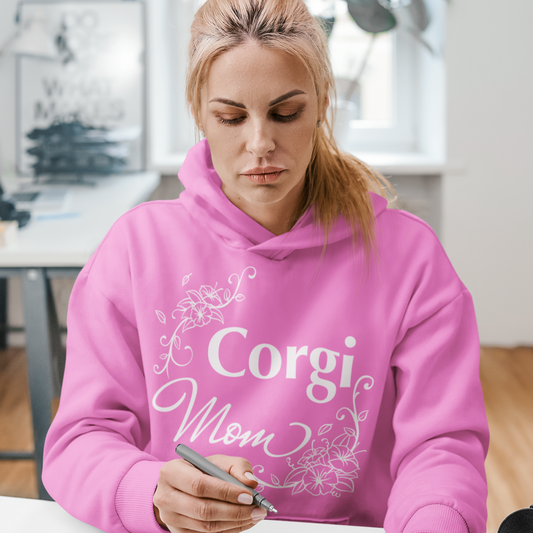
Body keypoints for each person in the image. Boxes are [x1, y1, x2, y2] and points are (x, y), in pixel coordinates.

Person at [42, 1, 490, 532]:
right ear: (198, 111)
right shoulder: (136, 249)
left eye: (286, 113)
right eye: (231, 117)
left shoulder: (410, 259)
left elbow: (441, 447)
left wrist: (436, 521)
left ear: (323, 102)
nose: (260, 144)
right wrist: (153, 495)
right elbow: (81, 438)